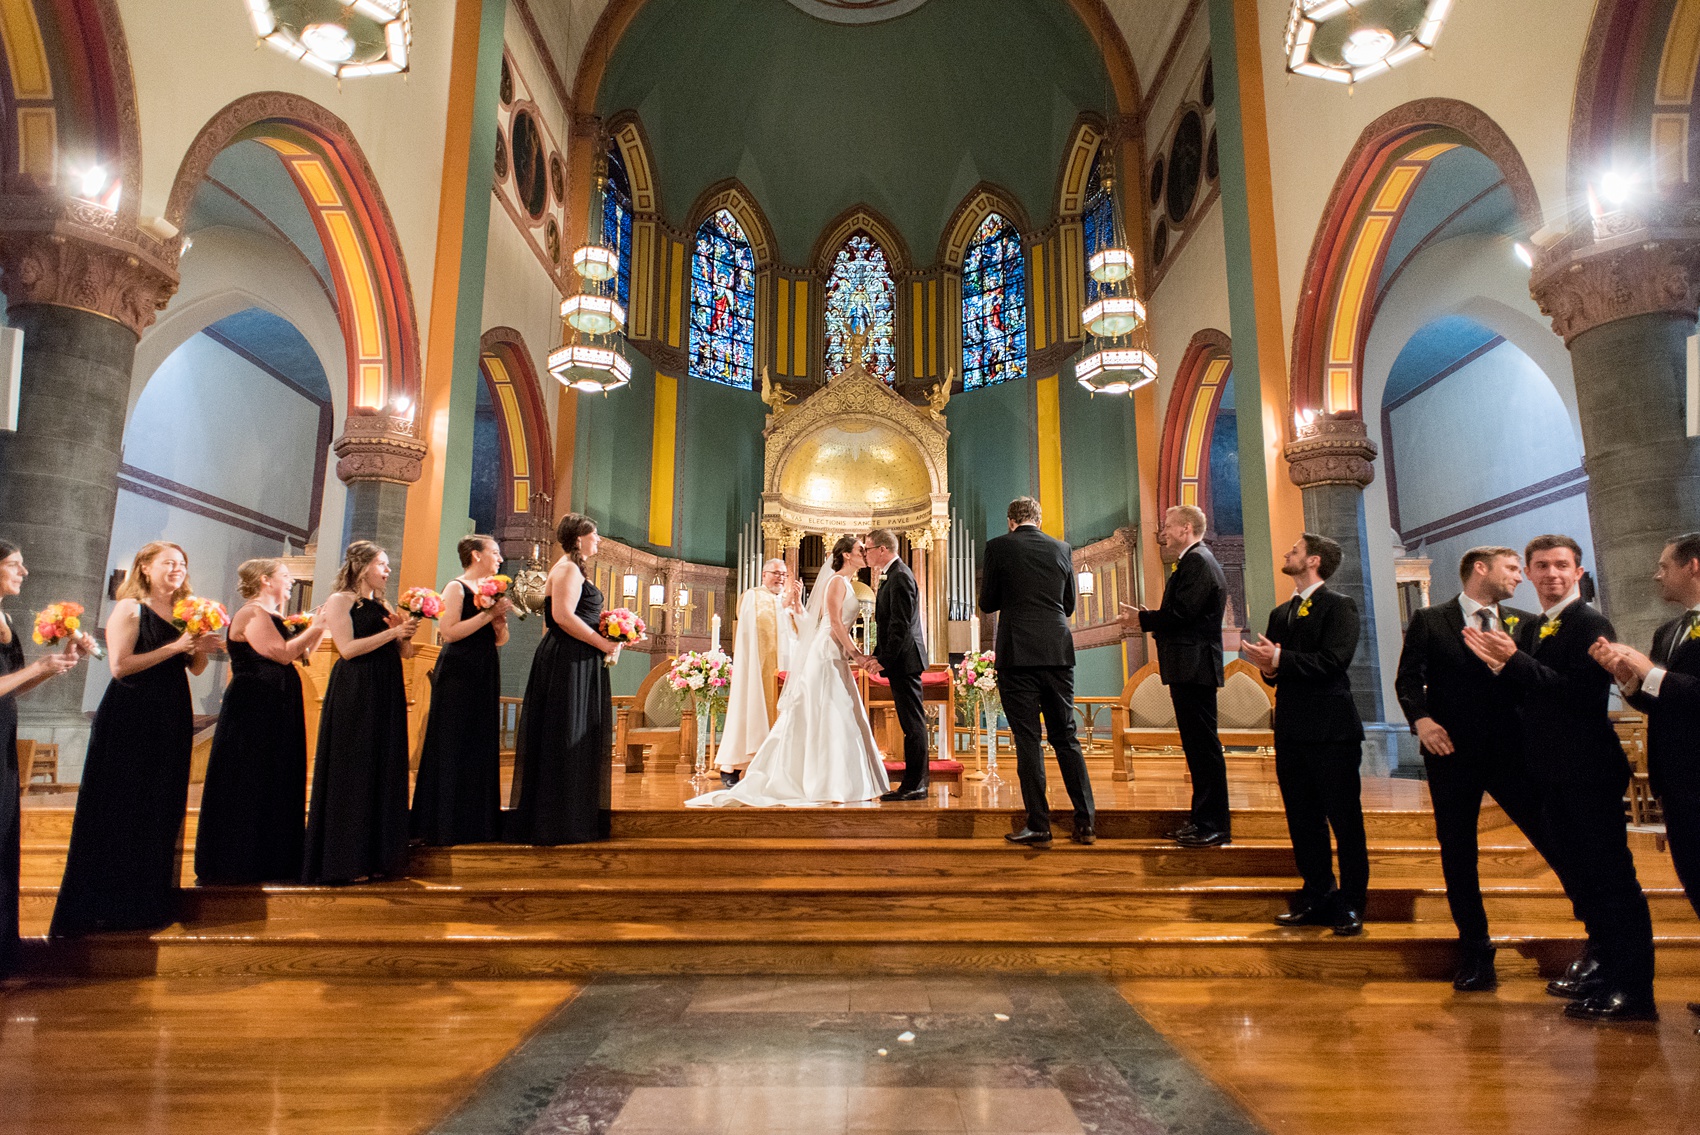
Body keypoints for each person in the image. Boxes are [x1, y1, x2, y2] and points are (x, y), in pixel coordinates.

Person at [1463, 534, 1656, 1022]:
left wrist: (1514, 662)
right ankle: (1607, 972)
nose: (1551, 574)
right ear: (1527, 573)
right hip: (1550, 770)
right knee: (1586, 880)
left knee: (1612, 880)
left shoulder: (1588, 622)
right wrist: (1502, 668)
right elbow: (1533, 697)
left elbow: (1580, 697)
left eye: (1561, 566)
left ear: (1578, 572)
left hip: (1586, 769)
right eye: (1542, 566)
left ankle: (1634, 990)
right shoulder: (1538, 627)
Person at [1394, 546, 1555, 990]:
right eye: (1511, 569)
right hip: (1451, 753)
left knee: (1551, 836)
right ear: (1480, 569)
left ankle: (1595, 936)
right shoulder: (1432, 620)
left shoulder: (1524, 623)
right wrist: (1421, 719)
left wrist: (1508, 664)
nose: (1520, 577)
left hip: (1513, 753)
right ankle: (1476, 951)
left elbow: (1538, 684)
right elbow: (1408, 679)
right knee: (1458, 852)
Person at [51, 542, 221, 936]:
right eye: (169, 562)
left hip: (171, 713)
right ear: (145, 568)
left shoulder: (184, 613)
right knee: (124, 805)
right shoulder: (130, 609)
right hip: (132, 715)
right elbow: (120, 667)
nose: (177, 568)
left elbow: (195, 669)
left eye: (182, 563)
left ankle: (149, 900)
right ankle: (110, 904)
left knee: (161, 805)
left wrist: (198, 642)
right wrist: (176, 646)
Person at [1588, 531, 1700, 1034]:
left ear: (1693, 567)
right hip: (1677, 780)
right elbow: (1658, 703)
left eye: (1664, 565)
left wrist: (1650, 672)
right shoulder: (1669, 630)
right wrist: (1628, 679)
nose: (1657, 574)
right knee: (1696, 882)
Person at [688, 537, 887, 808]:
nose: (864, 554)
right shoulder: (837, 582)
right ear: (846, 555)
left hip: (834, 654)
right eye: (859, 550)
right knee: (826, 712)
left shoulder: (848, 584)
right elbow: (835, 624)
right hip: (827, 653)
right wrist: (856, 654)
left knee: (834, 713)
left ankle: (834, 780)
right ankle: (817, 781)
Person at [1242, 533, 1368, 937]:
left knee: (1344, 820)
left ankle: (1350, 903)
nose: (1285, 553)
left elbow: (1334, 661)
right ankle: (1316, 894)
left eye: (1293, 550)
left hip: (1332, 730)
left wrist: (1280, 658)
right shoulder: (1281, 613)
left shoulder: (1340, 606)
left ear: (1313, 560)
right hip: (1292, 729)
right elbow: (1277, 674)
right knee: (1302, 819)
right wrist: (1270, 667)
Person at [195, 559, 326, 884]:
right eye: (285, 576)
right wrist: (316, 627)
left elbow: (302, 655)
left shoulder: (276, 616)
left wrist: (319, 629)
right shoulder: (251, 613)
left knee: (277, 776)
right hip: (255, 709)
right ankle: (240, 860)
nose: (291, 581)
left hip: (277, 705)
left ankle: (275, 857)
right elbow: (280, 653)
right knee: (251, 776)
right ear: (266, 581)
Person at [301, 541, 419, 885]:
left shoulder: (381, 603)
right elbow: (348, 649)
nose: (388, 570)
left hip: (386, 688)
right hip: (357, 688)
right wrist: (392, 633)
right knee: (354, 768)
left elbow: (407, 654)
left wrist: (404, 635)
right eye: (382, 563)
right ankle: (347, 860)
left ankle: (379, 856)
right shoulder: (340, 600)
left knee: (383, 768)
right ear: (363, 566)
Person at [980, 496, 1095, 847]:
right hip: (1058, 652)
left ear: (1011, 521)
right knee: (1066, 737)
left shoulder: (998, 547)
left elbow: (987, 603)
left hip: (1018, 655)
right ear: (1039, 520)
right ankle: (1086, 822)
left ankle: (1039, 824)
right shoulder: (1062, 548)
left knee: (1028, 740)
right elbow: (1070, 605)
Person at [1120, 505, 1230, 847]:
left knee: (1203, 748)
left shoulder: (1198, 561)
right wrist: (1149, 618)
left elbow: (1183, 613)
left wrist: (1144, 620)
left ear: (1185, 528)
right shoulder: (1196, 560)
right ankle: (1201, 819)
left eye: (1168, 526)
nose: (1163, 532)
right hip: (1190, 666)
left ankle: (1213, 824)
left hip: (1195, 666)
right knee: (1197, 748)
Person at [510, 514, 623, 843]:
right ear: (578, 539)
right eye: (594, 535)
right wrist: (603, 642)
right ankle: (560, 822)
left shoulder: (573, 568)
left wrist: (613, 631)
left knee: (575, 736)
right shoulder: (568, 568)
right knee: (566, 735)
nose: (599, 540)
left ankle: (574, 815)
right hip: (568, 660)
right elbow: (561, 616)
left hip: (579, 658)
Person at [0, 541, 85, 973]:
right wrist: (36, 667)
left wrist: (49, 668)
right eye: (14, 564)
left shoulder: (7, 618)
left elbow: (10, 685)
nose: (25, 571)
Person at [410, 534, 512, 846]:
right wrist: (488, 616)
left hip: (483, 668)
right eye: (494, 553)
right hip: (458, 671)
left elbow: (499, 640)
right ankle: (444, 823)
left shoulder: (488, 593)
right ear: (477, 555)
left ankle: (475, 821)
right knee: (454, 741)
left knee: (479, 741)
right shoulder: (456, 587)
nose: (499, 559)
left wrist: (499, 624)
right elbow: (449, 632)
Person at [715, 558, 803, 788]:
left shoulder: (784, 602)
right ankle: (733, 766)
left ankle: (779, 769)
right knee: (752, 711)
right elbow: (755, 625)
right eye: (776, 573)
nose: (780, 578)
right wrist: (784, 605)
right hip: (759, 669)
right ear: (764, 575)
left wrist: (796, 606)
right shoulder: (753, 596)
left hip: (785, 670)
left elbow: (799, 634)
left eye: (784, 575)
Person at [864, 529, 931, 802]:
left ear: (882, 549)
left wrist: (883, 660)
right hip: (902, 660)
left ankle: (915, 784)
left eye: (867, 548)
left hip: (906, 661)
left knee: (913, 724)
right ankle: (915, 782)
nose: (865, 553)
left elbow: (900, 627)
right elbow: (889, 625)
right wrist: (877, 654)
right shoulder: (893, 574)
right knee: (911, 723)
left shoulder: (900, 576)